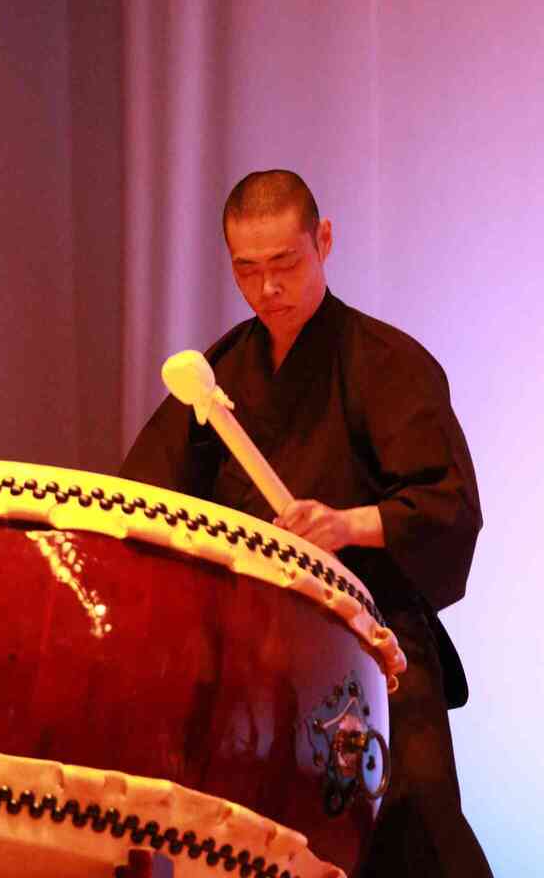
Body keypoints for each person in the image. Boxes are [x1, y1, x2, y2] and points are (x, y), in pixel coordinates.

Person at [121, 169, 493, 877]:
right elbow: (147, 500)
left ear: (323, 240)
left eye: (285, 263)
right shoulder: (220, 375)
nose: (267, 288)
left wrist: (347, 525)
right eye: (247, 269)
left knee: (412, 829)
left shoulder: (387, 363)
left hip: (374, 647)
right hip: (254, 659)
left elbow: (448, 504)